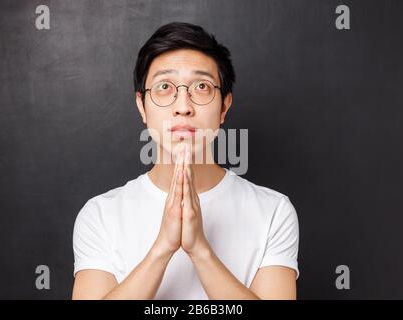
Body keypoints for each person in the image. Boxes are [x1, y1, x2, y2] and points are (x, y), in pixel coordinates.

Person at [72, 22, 299, 300]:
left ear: (224, 106)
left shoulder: (273, 211)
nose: (183, 106)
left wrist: (199, 250)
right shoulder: (100, 215)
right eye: (165, 87)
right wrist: (162, 248)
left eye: (201, 86)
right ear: (142, 105)